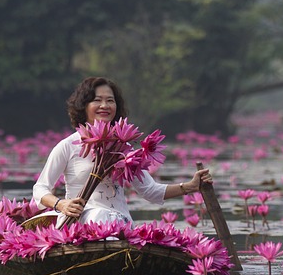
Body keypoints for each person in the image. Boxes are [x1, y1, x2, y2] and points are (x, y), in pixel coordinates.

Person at [32, 76, 212, 226]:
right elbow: (40, 189)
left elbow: (150, 190)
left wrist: (191, 186)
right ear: (83, 106)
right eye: (97, 100)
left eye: (110, 101)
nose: (105, 105)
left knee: (111, 221)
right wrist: (61, 204)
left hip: (119, 223)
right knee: (98, 217)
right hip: (79, 223)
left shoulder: (123, 149)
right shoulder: (68, 146)